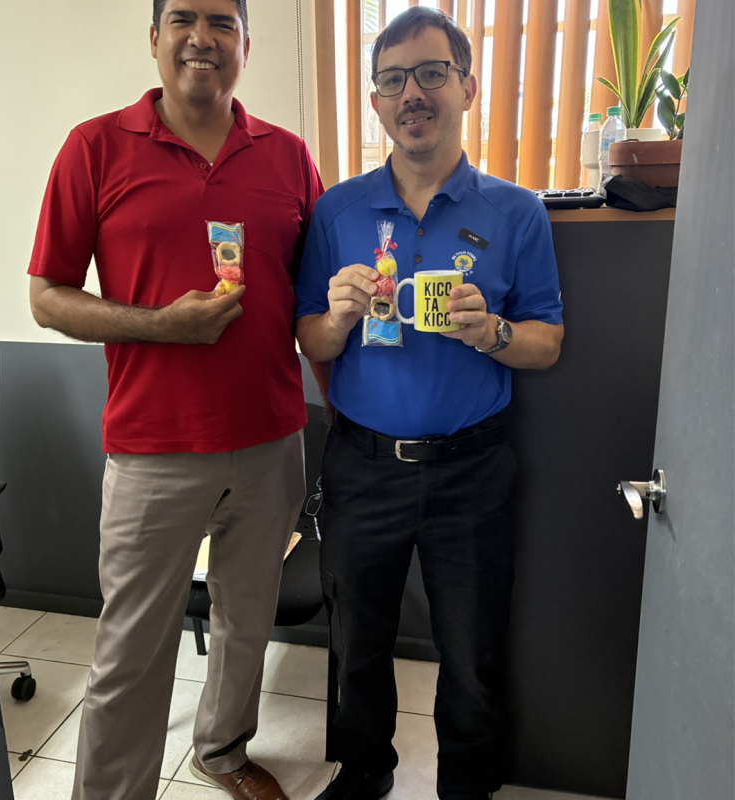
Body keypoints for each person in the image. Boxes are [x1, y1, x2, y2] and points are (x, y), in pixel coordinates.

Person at [28, 1, 322, 799]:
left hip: (271, 441)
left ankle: (222, 752)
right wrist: (160, 325)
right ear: (154, 39)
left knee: (245, 622)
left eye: (222, 22)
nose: (203, 37)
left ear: (246, 45)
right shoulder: (94, 147)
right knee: (132, 650)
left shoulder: (289, 157)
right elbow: (47, 297)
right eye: (183, 19)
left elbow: (316, 299)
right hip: (152, 448)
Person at [295, 8, 564, 800]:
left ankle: (468, 786)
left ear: (467, 87)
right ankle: (365, 772)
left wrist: (493, 332)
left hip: (472, 470)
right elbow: (309, 337)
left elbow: (546, 341)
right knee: (357, 646)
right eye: (392, 79)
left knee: (472, 652)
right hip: (363, 466)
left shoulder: (515, 213)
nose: (411, 92)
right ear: (375, 102)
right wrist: (337, 318)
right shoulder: (338, 211)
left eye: (430, 73)